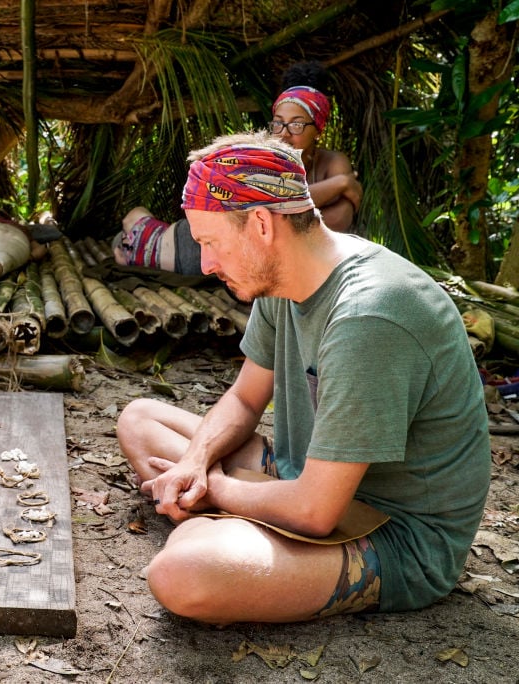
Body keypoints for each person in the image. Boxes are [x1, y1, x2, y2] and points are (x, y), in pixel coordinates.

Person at [117, 131, 490, 624]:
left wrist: (213, 488)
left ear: (261, 225)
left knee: (183, 573)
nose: (206, 264)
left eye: (210, 243)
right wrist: (196, 460)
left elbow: (317, 511)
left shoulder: (367, 317)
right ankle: (232, 527)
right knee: (140, 419)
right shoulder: (281, 277)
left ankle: (220, 531)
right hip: (311, 478)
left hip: (395, 532)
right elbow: (246, 401)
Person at [271, 66, 362, 233]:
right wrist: (341, 182)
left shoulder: (333, 162)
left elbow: (339, 218)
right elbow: (275, 204)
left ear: (319, 131)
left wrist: (284, 216)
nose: (284, 133)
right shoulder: (259, 160)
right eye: (278, 123)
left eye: (296, 124)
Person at [111, 206, 202, 275]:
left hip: (186, 264)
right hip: (183, 238)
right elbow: (138, 213)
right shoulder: (138, 224)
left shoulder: (127, 259)